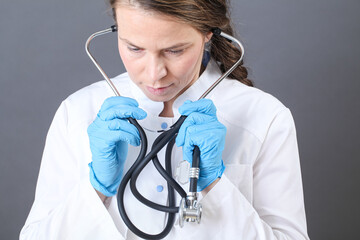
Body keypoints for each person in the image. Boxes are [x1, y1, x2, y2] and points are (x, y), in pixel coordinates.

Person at [20, 0, 309, 239]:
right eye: (134, 48)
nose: (154, 73)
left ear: (209, 33)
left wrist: (215, 187)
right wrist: (96, 188)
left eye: (174, 50)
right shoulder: (78, 112)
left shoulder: (265, 117)